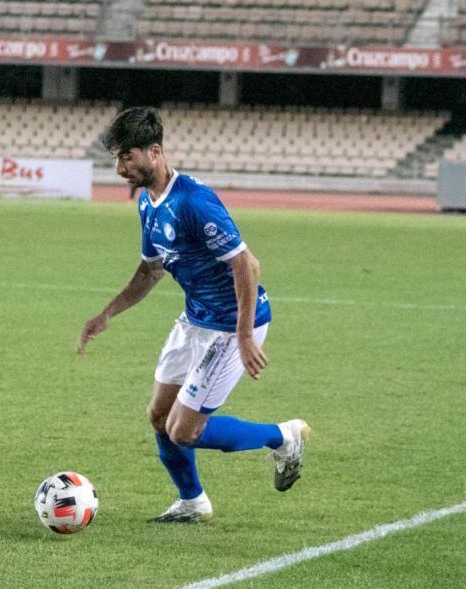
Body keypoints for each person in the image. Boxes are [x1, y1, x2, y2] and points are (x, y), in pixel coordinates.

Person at [77, 107, 309, 523]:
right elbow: (151, 269)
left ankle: (283, 436)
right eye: (116, 159)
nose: (119, 168)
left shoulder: (193, 201)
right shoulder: (149, 204)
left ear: (155, 150)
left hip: (234, 323)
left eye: (127, 157)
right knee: (158, 416)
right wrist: (107, 313)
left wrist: (242, 336)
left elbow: (247, 265)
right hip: (195, 320)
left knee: (183, 430)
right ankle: (193, 502)